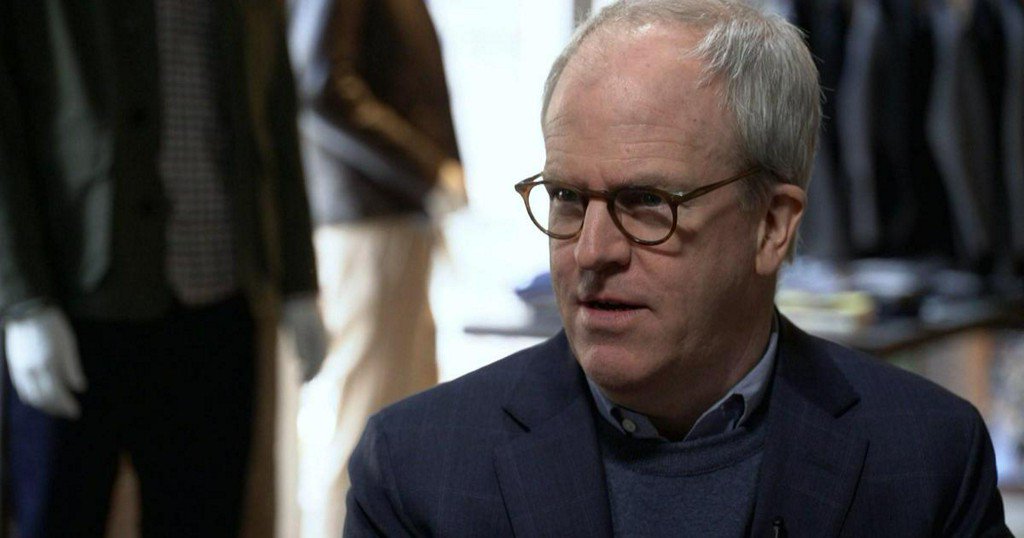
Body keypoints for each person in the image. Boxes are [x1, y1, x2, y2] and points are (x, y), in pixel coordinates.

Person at [344, 0, 1011, 536]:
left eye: (646, 203)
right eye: (568, 196)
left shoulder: (927, 458)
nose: (591, 251)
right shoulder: (417, 468)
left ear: (772, 225)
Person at [0, 1, 325, 536]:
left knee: (206, 519)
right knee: (58, 517)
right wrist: (21, 298)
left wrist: (298, 280)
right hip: (76, 295)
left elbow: (274, 106)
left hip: (220, 297)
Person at [286, 0, 463, 535]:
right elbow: (322, 87)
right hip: (369, 222)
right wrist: (428, 172)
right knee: (361, 426)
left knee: (401, 420)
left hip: (394, 219)